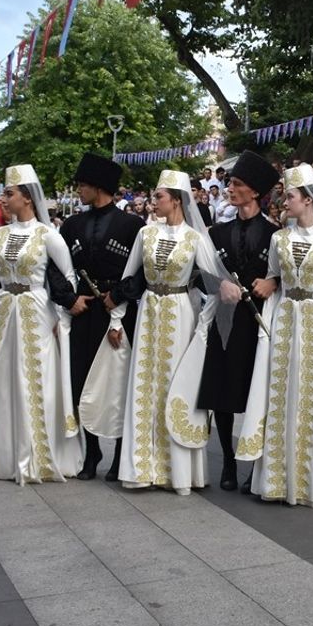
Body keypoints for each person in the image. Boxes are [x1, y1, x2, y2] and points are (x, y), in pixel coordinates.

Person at [236, 164, 313, 507]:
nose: (284, 201)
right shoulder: (279, 239)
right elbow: (274, 281)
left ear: (307, 200)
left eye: (290, 196)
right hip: (286, 322)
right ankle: (276, 480)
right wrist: (268, 331)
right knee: (282, 398)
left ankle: (312, 484)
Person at [166, 151, 278, 492]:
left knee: (256, 391)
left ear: (255, 192)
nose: (230, 188)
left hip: (258, 323)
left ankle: (254, 467)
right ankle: (228, 461)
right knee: (223, 394)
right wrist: (221, 284)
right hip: (225, 321)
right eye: (230, 183)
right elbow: (198, 275)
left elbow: (287, 274)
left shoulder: (275, 234)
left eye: (238, 184)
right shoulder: (215, 233)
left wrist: (273, 282)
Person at [108, 170, 223, 494]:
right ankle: (143, 468)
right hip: (148, 312)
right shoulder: (145, 234)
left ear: (176, 200)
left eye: (159, 196)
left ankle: (178, 473)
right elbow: (129, 279)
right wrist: (116, 319)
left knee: (175, 385)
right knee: (144, 384)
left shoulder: (195, 239)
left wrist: (203, 323)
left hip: (180, 312)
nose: (153, 200)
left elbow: (215, 286)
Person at [0, 164, 82, 485]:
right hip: (6, 311)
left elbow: (69, 278)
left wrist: (60, 319)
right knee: (4, 382)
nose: (3, 199)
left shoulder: (48, 236)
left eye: (9, 193)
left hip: (37, 310)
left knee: (39, 381)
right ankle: (7, 457)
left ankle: (42, 454)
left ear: (28, 199)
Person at [58, 152, 146, 480]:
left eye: (83, 184)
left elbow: (142, 271)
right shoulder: (72, 225)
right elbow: (55, 268)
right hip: (84, 309)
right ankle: (91, 452)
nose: (79, 189)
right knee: (82, 380)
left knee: (119, 380)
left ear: (99, 186)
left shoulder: (133, 225)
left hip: (119, 311)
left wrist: (119, 296)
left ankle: (121, 453)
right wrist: (68, 299)